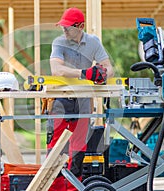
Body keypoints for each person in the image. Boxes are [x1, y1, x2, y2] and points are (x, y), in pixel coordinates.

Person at [47, 7, 114, 191]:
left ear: (80, 26)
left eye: (68, 27)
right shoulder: (59, 42)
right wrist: (85, 73)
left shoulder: (93, 42)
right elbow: (57, 70)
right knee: (55, 145)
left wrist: (102, 74)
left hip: (84, 100)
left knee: (78, 145)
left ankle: (73, 187)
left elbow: (109, 67)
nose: (64, 30)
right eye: (63, 26)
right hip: (60, 98)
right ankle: (54, 187)